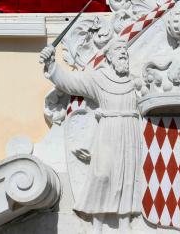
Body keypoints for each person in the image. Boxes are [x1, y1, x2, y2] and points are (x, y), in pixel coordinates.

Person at [39, 39, 140, 230]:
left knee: (126, 178)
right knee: (102, 175)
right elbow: (71, 82)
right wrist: (51, 63)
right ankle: (98, 223)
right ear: (109, 56)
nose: (123, 54)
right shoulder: (99, 78)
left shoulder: (133, 81)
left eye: (124, 51)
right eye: (118, 50)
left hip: (130, 131)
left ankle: (125, 222)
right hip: (108, 130)